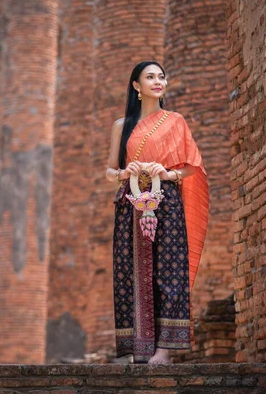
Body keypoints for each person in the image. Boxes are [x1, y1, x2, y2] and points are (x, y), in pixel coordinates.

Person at [105, 61, 209, 364]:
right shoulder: (121, 125)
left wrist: (167, 173)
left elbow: (193, 167)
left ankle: (164, 350)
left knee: (169, 271)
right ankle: (138, 347)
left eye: (161, 76)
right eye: (150, 77)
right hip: (131, 202)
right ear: (136, 85)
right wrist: (125, 172)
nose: (158, 81)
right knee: (131, 271)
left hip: (166, 202)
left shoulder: (175, 121)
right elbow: (110, 170)